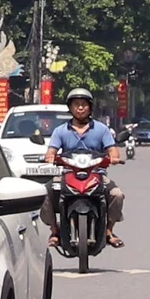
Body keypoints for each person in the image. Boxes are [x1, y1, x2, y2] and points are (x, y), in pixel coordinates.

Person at [46, 85, 124, 246]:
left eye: (84, 104)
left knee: (117, 195)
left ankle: (109, 230)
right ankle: (54, 231)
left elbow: (113, 151)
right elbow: (51, 151)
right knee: (43, 194)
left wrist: (114, 158)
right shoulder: (60, 131)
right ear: (70, 108)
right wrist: (50, 157)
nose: (80, 108)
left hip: (97, 174)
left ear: (90, 107)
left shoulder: (101, 130)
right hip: (67, 174)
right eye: (76, 104)